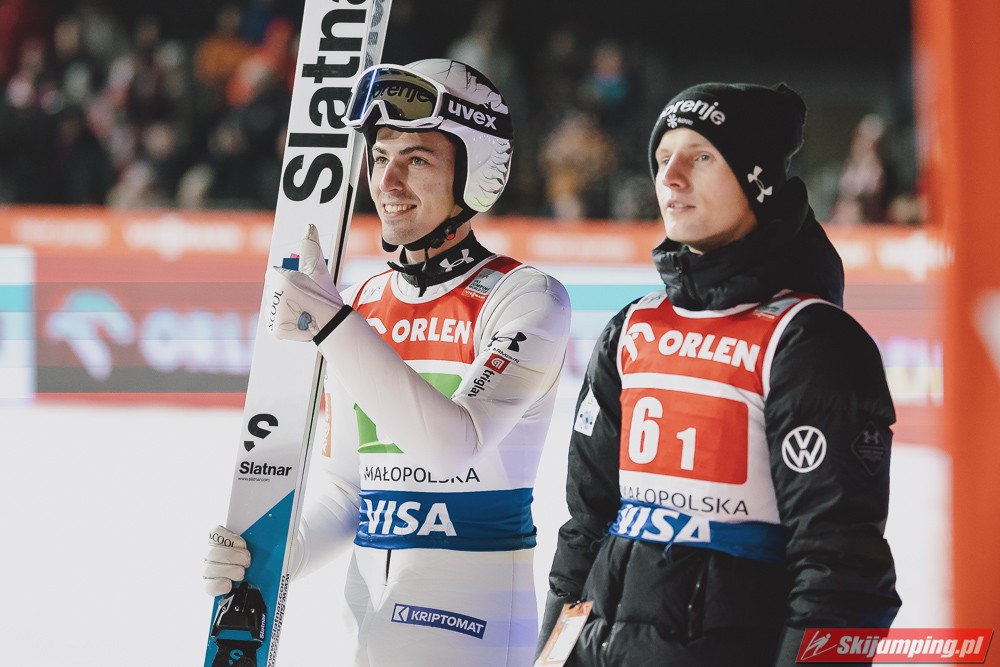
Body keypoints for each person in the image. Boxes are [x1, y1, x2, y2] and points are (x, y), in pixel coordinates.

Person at [204, 59, 571, 666]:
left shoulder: (527, 298)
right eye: (379, 158)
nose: (388, 182)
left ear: (476, 176)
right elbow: (349, 492)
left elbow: (454, 447)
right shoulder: (363, 304)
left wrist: (333, 324)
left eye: (417, 160)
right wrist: (272, 556)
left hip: (471, 632)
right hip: (363, 628)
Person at [536, 82, 900, 666]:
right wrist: (551, 658)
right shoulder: (631, 328)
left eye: (701, 157)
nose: (670, 177)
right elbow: (586, 528)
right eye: (662, 158)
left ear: (758, 182)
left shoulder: (810, 341)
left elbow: (843, 574)